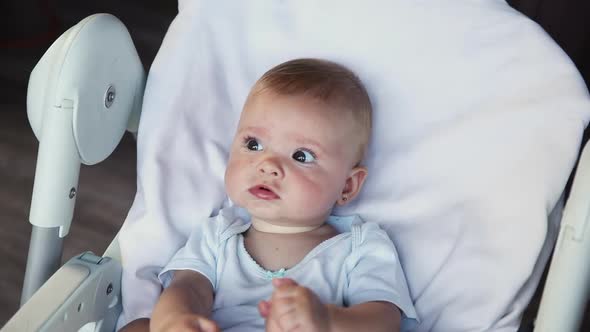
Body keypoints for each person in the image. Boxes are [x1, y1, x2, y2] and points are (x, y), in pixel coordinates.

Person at [120, 58, 417, 332]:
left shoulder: (359, 247)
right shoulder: (218, 235)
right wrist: (176, 320)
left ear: (347, 187)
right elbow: (188, 288)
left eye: (301, 155)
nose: (268, 165)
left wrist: (328, 320)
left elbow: (383, 317)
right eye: (253, 145)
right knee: (138, 327)